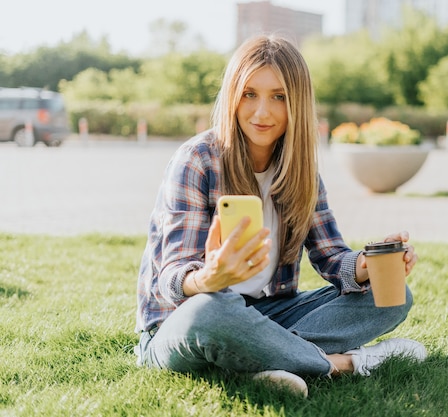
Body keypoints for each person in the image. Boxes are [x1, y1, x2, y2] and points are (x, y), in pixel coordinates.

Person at [134, 34, 427, 397]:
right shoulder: (197, 161)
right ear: (232, 96)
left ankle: (261, 358)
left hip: (266, 313)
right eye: (249, 94)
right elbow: (171, 278)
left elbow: (331, 257)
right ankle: (342, 364)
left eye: (279, 97)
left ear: (297, 104)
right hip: (183, 322)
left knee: (392, 295)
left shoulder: (300, 170)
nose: (262, 112)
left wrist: (369, 266)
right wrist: (208, 277)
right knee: (212, 312)